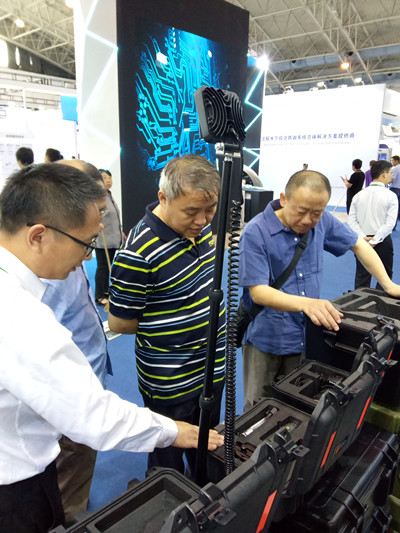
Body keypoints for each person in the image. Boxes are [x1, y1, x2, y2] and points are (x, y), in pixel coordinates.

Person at [0, 163, 223, 533]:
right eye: (86, 243)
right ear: (38, 235)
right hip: (16, 486)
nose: (89, 258)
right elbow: (92, 415)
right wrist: (172, 431)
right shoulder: (19, 316)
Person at [238, 169, 400, 408]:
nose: (308, 220)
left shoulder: (322, 221)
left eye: (316, 212)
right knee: (258, 407)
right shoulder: (256, 232)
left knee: (299, 405)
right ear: (284, 199)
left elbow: (358, 245)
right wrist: (307, 304)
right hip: (267, 337)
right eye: (301, 211)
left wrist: (387, 283)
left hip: (307, 336)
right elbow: (258, 292)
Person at [108, 154, 226, 476]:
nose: (202, 220)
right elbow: (119, 322)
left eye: (210, 209)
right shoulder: (137, 251)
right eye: (191, 211)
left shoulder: (201, 229)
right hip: (170, 381)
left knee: (208, 450)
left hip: (211, 369)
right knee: (168, 463)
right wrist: (175, 325)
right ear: (163, 197)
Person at [40, 160, 111, 524]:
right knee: (64, 485)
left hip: (85, 377)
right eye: (96, 212)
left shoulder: (67, 250)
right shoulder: (41, 272)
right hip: (67, 394)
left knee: (74, 469)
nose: (100, 225)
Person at [349, 160, 397, 289]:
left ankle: (358, 301)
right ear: (384, 174)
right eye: (390, 173)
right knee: (385, 278)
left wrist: (363, 237)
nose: (391, 176)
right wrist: (375, 240)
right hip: (383, 241)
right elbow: (390, 223)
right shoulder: (391, 196)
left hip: (362, 242)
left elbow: (352, 220)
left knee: (362, 276)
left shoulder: (358, 195)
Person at [95, 169, 125, 306]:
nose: (108, 181)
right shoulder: (98, 197)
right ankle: (99, 296)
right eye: (104, 178)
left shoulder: (109, 195)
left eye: (109, 178)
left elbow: (113, 217)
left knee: (108, 266)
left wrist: (120, 231)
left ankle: (105, 289)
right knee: (102, 267)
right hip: (103, 239)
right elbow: (94, 215)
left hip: (113, 237)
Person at [390, 155, 400, 225]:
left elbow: (392, 180)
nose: (391, 162)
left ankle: (392, 224)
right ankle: (394, 224)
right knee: (397, 207)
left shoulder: (395, 169)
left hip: (394, 189)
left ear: (396, 161)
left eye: (392, 160)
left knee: (392, 207)